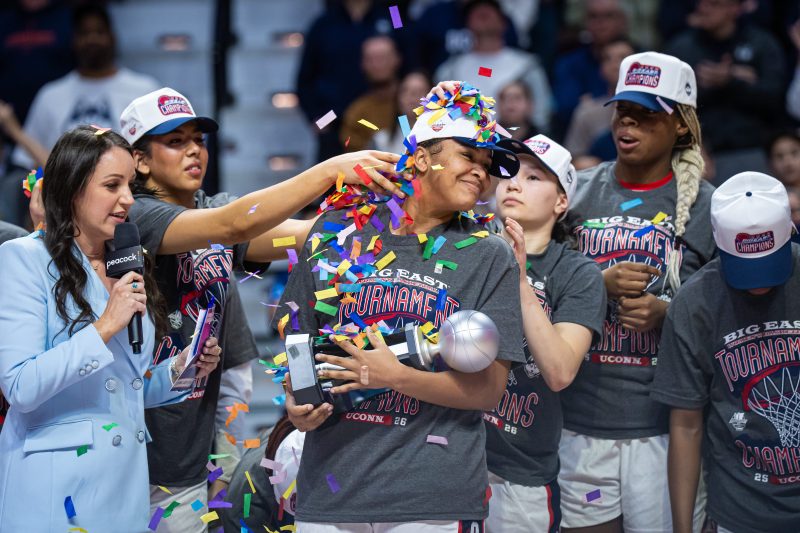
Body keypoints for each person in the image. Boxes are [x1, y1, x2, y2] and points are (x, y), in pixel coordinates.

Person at [118, 86, 403, 531]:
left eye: (198, 140)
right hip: (133, 448)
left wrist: (388, 205)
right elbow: (234, 225)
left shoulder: (212, 208)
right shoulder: (135, 216)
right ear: (140, 160)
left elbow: (302, 235)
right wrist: (330, 170)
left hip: (190, 447)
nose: (194, 151)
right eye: (175, 142)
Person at [278, 81, 525, 532]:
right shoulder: (336, 229)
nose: (481, 172)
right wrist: (298, 403)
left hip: (431, 498)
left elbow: (489, 391)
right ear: (423, 158)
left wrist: (394, 377)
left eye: (487, 165)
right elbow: (296, 337)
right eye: (469, 156)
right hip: (332, 489)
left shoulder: (490, 254)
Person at [0, 126, 221, 531]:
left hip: (125, 492)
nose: (127, 199)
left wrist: (183, 368)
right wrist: (104, 326)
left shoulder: (127, 261)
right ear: (72, 189)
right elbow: (21, 386)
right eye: (112, 185)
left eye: (130, 185)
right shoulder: (23, 259)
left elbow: (126, 385)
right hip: (55, 498)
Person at [559, 51, 716, 532]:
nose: (628, 123)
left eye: (646, 114)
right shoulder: (576, 192)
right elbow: (536, 286)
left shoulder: (708, 206)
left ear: (681, 125)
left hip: (665, 428)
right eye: (623, 111)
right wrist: (596, 284)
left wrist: (668, 312)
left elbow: (729, 317)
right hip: (580, 421)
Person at [652, 171, 800, 533]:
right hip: (739, 509)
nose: (759, 283)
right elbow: (686, 424)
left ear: (791, 230)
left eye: (770, 264)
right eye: (746, 269)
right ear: (718, 241)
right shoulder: (695, 303)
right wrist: (683, 529)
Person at [484, 135, 606, 532]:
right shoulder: (466, 248)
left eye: (533, 177)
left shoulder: (578, 273)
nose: (514, 184)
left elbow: (559, 371)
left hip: (520, 471)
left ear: (561, 202)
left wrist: (519, 281)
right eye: (508, 173)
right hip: (449, 456)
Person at [11, 4, 160, 170]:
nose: (92, 39)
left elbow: (159, 151)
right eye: (84, 33)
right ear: (73, 40)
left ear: (113, 37)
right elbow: (27, 162)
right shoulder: (50, 95)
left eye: (99, 32)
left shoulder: (144, 90)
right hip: (62, 185)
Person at [665, 0, 785, 183]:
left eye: (714, 4)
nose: (704, 8)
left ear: (734, 8)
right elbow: (669, 105)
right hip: (701, 152)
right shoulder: (682, 47)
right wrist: (692, 144)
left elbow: (776, 97)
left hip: (755, 149)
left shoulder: (761, 43)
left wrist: (732, 81)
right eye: (701, 3)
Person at [435, 0, 552, 133]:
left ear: (504, 22)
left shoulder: (527, 66)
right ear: (466, 24)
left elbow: (541, 115)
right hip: (462, 140)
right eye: (475, 10)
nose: (482, 11)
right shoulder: (450, 69)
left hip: (514, 140)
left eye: (491, 9)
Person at [553, 0, 628, 135]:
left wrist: (593, 101)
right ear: (585, 21)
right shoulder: (569, 62)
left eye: (608, 16)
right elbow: (565, 109)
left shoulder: (640, 58)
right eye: (593, 16)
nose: (601, 23)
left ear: (622, 20)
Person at [564, 38, 635, 159]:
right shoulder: (587, 112)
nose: (615, 65)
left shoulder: (652, 110)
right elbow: (574, 160)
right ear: (600, 68)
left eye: (623, 58)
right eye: (607, 59)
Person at [340, 35, 403, 152]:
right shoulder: (357, 111)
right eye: (370, 59)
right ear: (362, 64)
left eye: (382, 58)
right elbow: (352, 151)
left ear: (397, 59)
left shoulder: (412, 101)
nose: (376, 65)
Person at [372, 70, 432, 154]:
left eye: (419, 92)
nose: (411, 96)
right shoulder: (381, 140)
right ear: (398, 97)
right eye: (405, 90)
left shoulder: (443, 137)